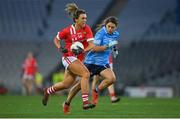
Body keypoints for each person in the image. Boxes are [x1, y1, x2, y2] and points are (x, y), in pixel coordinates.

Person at [42, 3, 95, 110]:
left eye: (86, 18)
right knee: (86, 74)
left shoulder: (87, 29)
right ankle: (85, 102)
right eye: (82, 18)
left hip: (78, 60)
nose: (85, 20)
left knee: (66, 84)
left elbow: (92, 45)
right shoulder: (67, 31)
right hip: (68, 58)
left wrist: (82, 50)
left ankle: (48, 91)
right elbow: (56, 39)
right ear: (76, 20)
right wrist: (60, 48)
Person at [63, 16, 120, 114]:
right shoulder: (100, 33)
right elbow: (94, 49)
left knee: (112, 79)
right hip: (91, 62)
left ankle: (96, 90)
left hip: (103, 63)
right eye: (109, 26)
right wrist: (108, 46)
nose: (110, 29)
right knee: (79, 86)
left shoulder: (116, 34)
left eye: (112, 27)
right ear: (105, 26)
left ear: (116, 28)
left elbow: (113, 44)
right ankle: (67, 103)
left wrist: (114, 49)